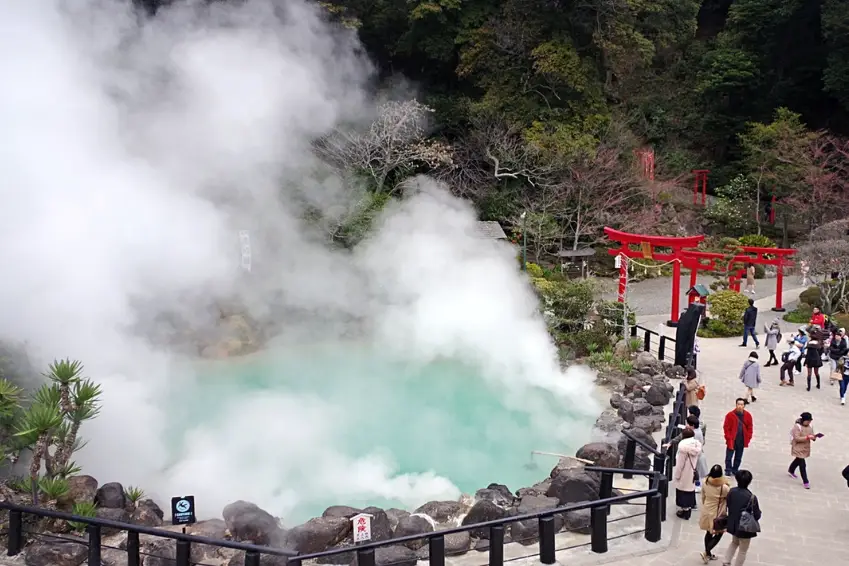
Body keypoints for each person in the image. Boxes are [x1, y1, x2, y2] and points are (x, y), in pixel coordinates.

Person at [723, 469, 762, 566]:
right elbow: (757, 515)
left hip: (733, 523)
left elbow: (728, 504)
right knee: (743, 550)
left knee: (734, 542)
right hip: (745, 528)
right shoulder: (751, 497)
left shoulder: (732, 491)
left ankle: (726, 562)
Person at [699, 464, 731, 563]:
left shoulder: (705, 482)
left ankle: (708, 554)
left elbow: (703, 496)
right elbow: (729, 499)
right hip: (717, 513)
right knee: (719, 533)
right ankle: (707, 552)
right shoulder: (724, 488)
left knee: (708, 532)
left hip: (706, 510)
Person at [673, 428, 702, 520]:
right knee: (690, 490)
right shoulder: (696, 445)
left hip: (684, 472)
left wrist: (677, 475)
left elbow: (680, 464)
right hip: (692, 470)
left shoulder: (683, 448)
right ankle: (689, 508)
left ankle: (685, 511)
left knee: (682, 491)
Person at [723, 399, 753, 476]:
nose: (740, 406)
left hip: (742, 439)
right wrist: (728, 437)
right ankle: (728, 469)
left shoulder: (748, 415)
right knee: (729, 456)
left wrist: (748, 437)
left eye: (741, 404)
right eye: (738, 404)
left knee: (738, 457)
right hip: (732, 439)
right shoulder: (730, 415)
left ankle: (735, 469)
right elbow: (726, 427)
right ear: (736, 405)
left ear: (744, 406)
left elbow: (750, 427)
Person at [789, 411, 817, 489]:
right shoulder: (797, 427)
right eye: (808, 421)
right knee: (802, 464)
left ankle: (791, 470)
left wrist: (814, 437)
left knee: (798, 459)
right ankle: (805, 481)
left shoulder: (810, 426)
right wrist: (807, 437)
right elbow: (797, 438)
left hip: (805, 447)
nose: (809, 422)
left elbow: (812, 434)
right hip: (798, 447)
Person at [804, 325, 824, 390]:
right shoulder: (818, 342)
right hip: (815, 358)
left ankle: (809, 387)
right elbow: (820, 349)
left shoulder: (809, 343)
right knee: (816, 373)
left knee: (809, 373)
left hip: (810, 358)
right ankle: (818, 384)